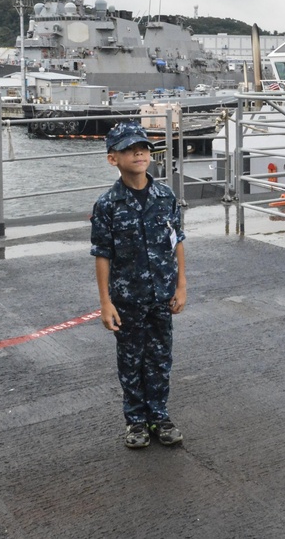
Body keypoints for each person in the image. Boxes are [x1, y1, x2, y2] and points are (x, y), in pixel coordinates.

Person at [91, 121, 187, 449]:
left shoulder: (166, 197)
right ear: (112, 158)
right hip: (127, 298)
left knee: (160, 358)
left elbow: (177, 242)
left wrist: (181, 285)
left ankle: (159, 416)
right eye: (130, 149)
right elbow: (102, 255)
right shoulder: (107, 205)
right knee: (131, 359)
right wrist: (105, 302)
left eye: (143, 148)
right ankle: (135, 420)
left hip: (162, 294)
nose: (139, 153)